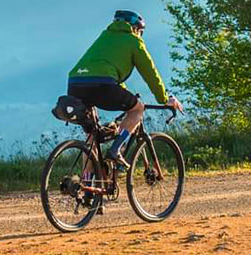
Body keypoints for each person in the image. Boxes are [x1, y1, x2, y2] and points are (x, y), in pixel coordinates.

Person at [68, 10, 183, 170]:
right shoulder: (133, 41)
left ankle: (87, 181)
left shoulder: (105, 36)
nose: (140, 35)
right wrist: (164, 99)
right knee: (137, 108)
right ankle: (115, 151)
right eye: (141, 32)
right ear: (135, 28)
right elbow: (150, 73)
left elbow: (105, 70)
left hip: (75, 84)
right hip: (102, 85)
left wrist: (124, 91)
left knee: (91, 137)